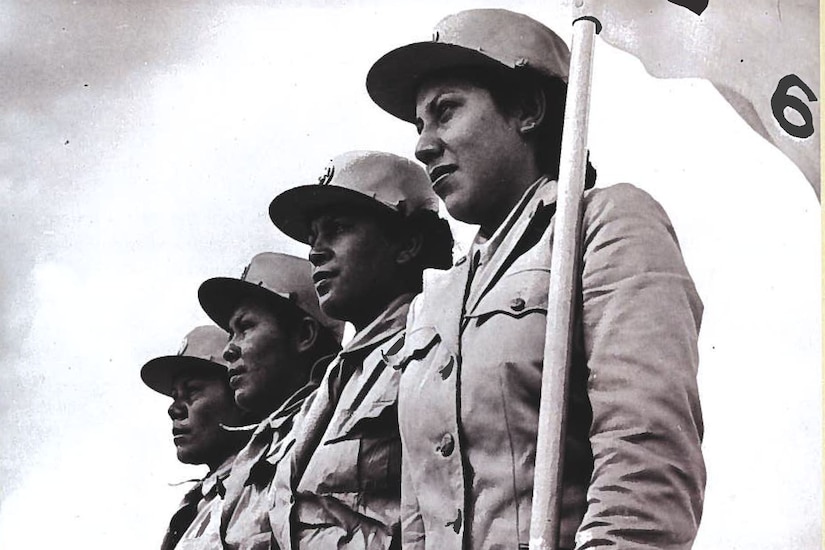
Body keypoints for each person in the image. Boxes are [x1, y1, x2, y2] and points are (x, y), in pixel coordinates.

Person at [366, 9, 705, 550]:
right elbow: (419, 515)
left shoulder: (604, 224)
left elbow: (647, 455)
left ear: (527, 108)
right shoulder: (431, 303)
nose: (422, 145)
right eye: (418, 124)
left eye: (445, 111)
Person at [265, 150, 454, 549]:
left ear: (407, 243)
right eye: (313, 239)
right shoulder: (339, 378)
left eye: (337, 229)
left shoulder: (435, 348)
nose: (315, 252)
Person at [197, 252, 345, 549]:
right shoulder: (261, 448)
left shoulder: (336, 423)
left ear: (304, 334)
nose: (229, 350)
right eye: (230, 334)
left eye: (246, 327)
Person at [141, 325, 251, 550]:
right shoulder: (198, 502)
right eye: (174, 396)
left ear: (239, 395)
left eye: (192, 391)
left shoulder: (257, 488)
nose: (174, 409)